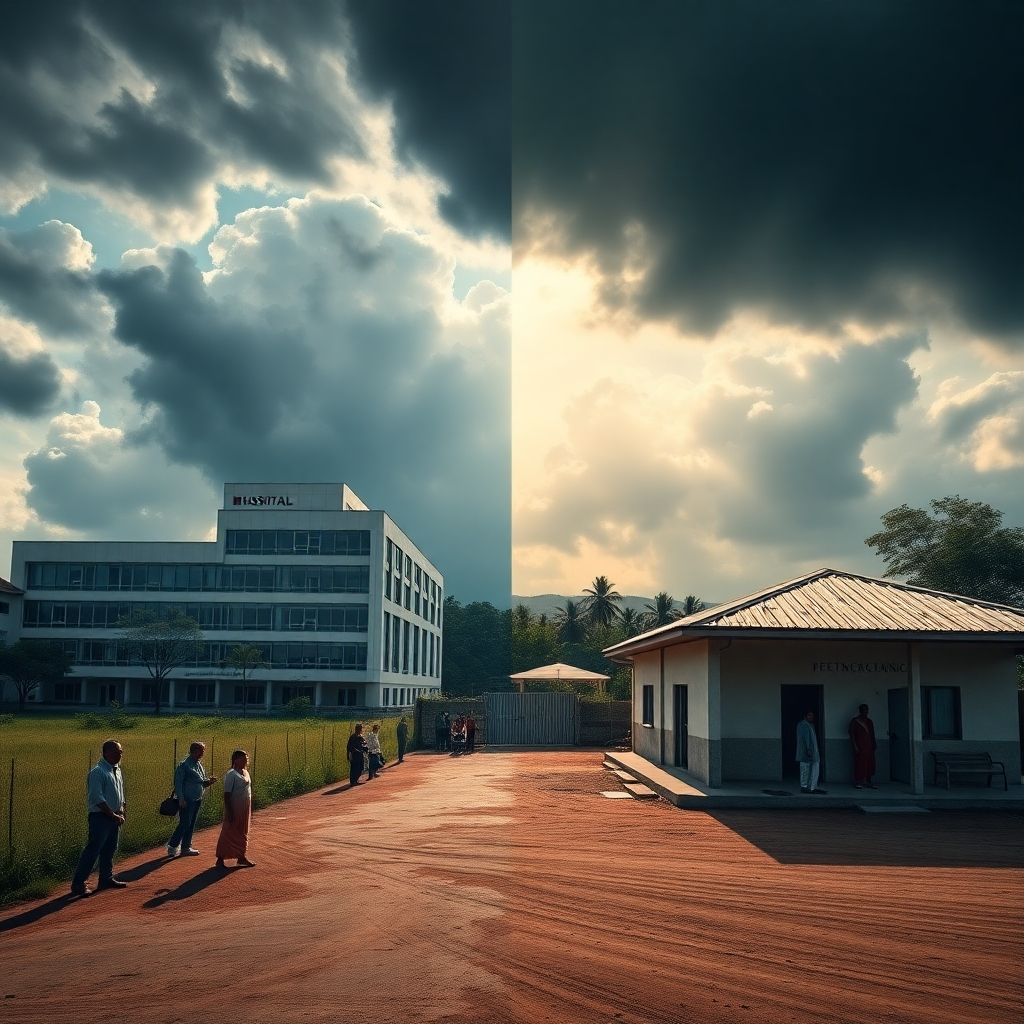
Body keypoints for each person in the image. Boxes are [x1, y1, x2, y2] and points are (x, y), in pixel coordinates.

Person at [71, 739, 127, 896]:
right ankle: (78, 884)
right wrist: (112, 814)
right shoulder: (98, 772)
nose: (120, 755)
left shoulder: (116, 770)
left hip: (115, 816)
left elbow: (120, 792)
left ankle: (106, 878)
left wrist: (122, 808)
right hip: (101, 817)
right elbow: (97, 797)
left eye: (121, 752)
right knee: (93, 849)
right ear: (107, 753)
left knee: (110, 848)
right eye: (117, 752)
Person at [167, 741, 217, 857]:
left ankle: (186, 847)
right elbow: (178, 784)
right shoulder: (184, 765)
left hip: (197, 798)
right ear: (194, 751)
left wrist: (209, 782)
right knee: (185, 823)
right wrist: (181, 799)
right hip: (187, 799)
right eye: (201, 751)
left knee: (191, 823)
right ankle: (172, 846)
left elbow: (201, 783)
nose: (202, 754)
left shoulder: (198, 765)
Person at [216, 750, 255, 868]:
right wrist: (229, 810)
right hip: (234, 807)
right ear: (237, 760)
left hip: (244, 807)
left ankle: (241, 857)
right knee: (229, 830)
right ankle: (220, 858)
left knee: (243, 831)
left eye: (246, 759)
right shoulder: (231, 774)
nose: (246, 761)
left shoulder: (246, 772)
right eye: (244, 759)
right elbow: (226, 794)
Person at [848, 704, 878, 789]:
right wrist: (855, 746)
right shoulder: (854, 721)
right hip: (860, 746)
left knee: (870, 763)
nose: (866, 712)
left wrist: (874, 744)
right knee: (860, 763)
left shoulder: (869, 721)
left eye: (867, 710)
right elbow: (852, 734)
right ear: (860, 711)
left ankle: (868, 780)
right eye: (864, 710)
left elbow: (872, 734)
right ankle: (858, 780)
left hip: (869, 746)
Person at [796, 711, 826, 794]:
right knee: (805, 769)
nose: (811, 717)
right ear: (805, 716)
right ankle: (805, 786)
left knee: (813, 767)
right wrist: (808, 749)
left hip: (812, 752)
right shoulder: (804, 725)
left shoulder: (810, 725)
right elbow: (806, 739)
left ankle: (812, 786)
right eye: (809, 715)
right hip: (806, 752)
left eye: (812, 715)